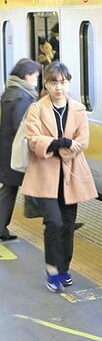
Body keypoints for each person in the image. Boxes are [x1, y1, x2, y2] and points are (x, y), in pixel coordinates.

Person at [20, 62, 97, 292]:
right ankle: (52, 269)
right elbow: (34, 140)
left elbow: (82, 142)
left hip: (71, 176)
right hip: (44, 176)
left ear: (69, 83)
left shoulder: (79, 110)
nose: (59, 88)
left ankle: (64, 268)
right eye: (53, 82)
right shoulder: (37, 109)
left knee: (68, 225)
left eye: (63, 82)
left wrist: (54, 147)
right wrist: (62, 143)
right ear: (46, 84)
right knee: (53, 222)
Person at [0, 59, 41, 241]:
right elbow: (22, 125)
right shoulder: (22, 96)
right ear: (27, 75)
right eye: (35, 76)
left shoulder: (10, 91)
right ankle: (57, 221)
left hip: (7, 149)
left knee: (10, 189)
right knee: (17, 188)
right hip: (16, 152)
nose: (36, 79)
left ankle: (1, 227)